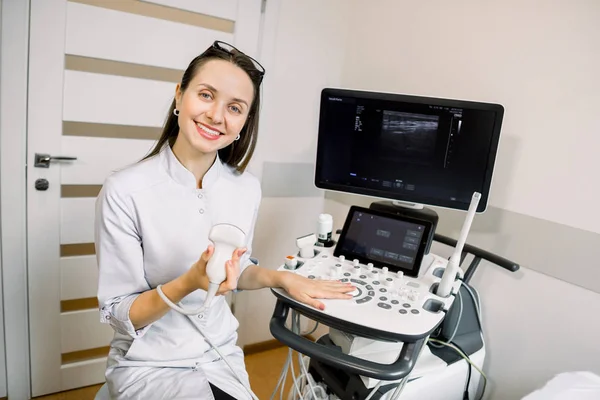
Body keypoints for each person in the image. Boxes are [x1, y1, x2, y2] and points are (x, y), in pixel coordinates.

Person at [94, 41, 355, 400]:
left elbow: (236, 268)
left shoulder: (245, 187)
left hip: (219, 354)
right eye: (205, 95)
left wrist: (280, 278)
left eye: (235, 107)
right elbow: (122, 312)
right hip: (149, 363)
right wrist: (190, 282)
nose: (217, 116)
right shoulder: (125, 190)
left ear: (244, 122)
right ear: (179, 96)